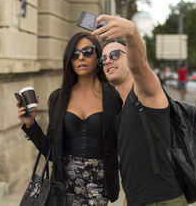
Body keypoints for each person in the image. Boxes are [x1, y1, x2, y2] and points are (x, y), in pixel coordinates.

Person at [16, 32, 122, 205]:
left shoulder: (113, 97)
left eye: (87, 51)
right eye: (75, 54)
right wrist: (30, 125)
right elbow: (51, 151)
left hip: (99, 187)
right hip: (63, 188)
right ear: (69, 60)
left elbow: (124, 146)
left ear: (98, 56)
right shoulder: (58, 98)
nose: (81, 57)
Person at [92, 15, 186, 206]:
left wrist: (132, 33)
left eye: (116, 55)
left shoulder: (145, 92)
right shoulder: (121, 105)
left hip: (163, 200)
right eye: (104, 58)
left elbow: (140, 66)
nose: (108, 61)